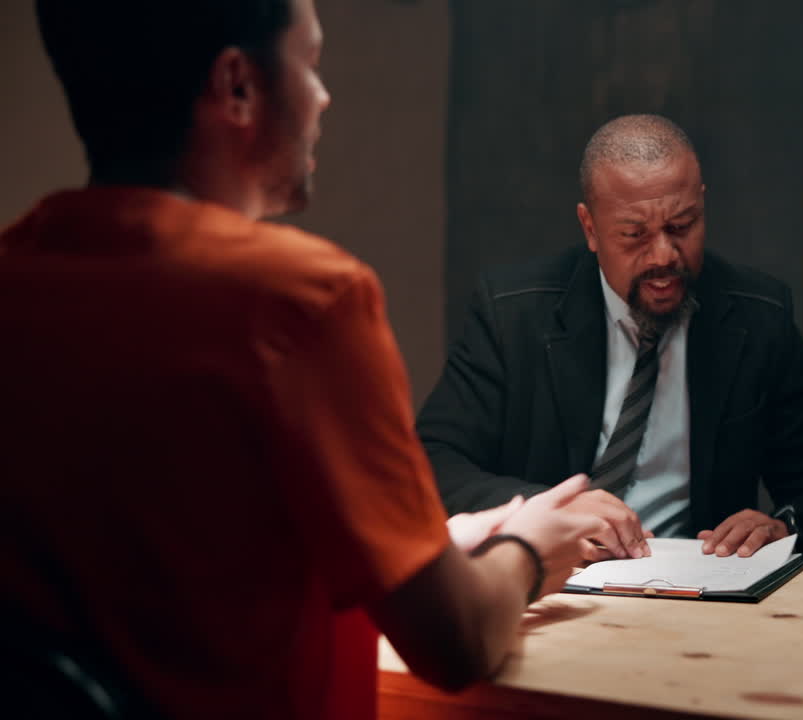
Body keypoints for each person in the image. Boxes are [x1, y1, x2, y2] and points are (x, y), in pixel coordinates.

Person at [0, 2, 601, 719]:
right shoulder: (302, 301)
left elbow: (177, 556)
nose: (323, 95)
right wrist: (530, 550)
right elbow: (457, 642)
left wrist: (434, 543)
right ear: (238, 87)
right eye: (309, 63)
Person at [416, 114, 803, 561]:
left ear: (701, 204)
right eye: (634, 235)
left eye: (683, 226)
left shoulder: (759, 316)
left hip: (702, 589)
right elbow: (430, 465)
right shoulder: (514, 315)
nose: (664, 255)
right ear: (590, 228)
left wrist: (781, 526)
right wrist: (551, 509)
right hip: (559, 583)